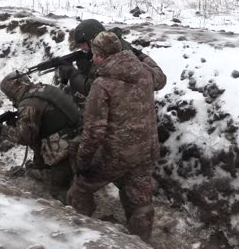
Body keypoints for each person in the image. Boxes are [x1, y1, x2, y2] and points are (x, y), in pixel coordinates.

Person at [66, 31, 167, 242]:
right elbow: (161, 76)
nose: (92, 59)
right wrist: (141, 55)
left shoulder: (102, 85)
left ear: (102, 56)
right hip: (146, 150)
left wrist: (83, 162)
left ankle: (78, 236)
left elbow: (94, 132)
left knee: (80, 191)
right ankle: (140, 243)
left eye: (95, 55)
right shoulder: (145, 73)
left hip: (116, 154)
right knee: (140, 201)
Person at [0, 73, 82, 203]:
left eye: (9, 94)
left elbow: (24, 137)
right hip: (78, 135)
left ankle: (74, 211)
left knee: (58, 187)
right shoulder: (44, 89)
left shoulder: (29, 103)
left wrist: (1, 130)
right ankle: (44, 168)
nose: (10, 99)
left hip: (67, 148)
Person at [55, 19, 166, 108]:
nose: (82, 47)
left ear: (95, 39)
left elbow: (94, 89)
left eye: (84, 43)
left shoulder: (111, 56)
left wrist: (73, 74)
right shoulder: (118, 46)